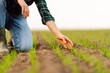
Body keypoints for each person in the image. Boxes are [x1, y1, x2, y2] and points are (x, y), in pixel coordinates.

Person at [0, 0, 73, 55]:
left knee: (25, 47)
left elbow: (45, 13)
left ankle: (13, 39)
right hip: (2, 11)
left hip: (17, 16)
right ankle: (1, 43)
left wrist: (58, 34)